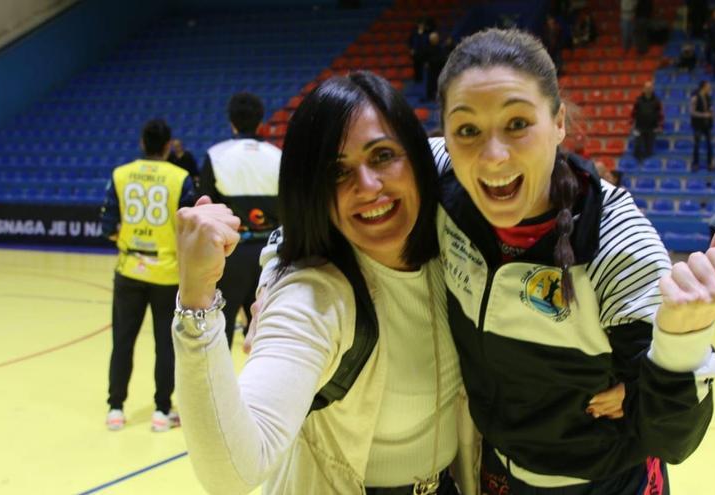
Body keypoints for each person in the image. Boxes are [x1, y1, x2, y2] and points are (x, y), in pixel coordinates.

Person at [435, 28, 715, 494]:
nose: (492, 156)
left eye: (518, 123)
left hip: (605, 481)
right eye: (468, 130)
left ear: (558, 123)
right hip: (495, 469)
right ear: (447, 136)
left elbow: (673, 438)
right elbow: (358, 188)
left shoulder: (617, 246)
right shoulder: (440, 181)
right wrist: (281, 258)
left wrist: (684, 341)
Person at [172, 72, 476, 495]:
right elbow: (233, 472)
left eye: (383, 155)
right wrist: (196, 299)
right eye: (336, 171)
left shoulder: (458, 250)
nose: (368, 186)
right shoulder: (314, 297)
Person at [99, 119, 196, 432]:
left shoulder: (121, 175)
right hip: (166, 273)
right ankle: (161, 411)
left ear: (142, 143)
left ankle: (115, 408)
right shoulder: (180, 178)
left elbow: (108, 228)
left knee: (122, 341)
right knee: (165, 344)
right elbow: (190, 228)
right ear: (168, 146)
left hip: (129, 270)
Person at [198, 92, 282, 348]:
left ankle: (220, 389)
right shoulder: (279, 156)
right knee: (266, 337)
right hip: (270, 255)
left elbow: (205, 209)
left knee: (218, 334)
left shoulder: (216, 155)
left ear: (231, 121)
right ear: (260, 121)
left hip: (229, 255)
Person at [631, 80, 664, 161]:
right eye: (647, 88)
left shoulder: (657, 101)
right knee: (637, 145)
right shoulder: (638, 100)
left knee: (649, 149)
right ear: (643, 89)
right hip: (639, 127)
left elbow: (660, 114)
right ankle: (638, 162)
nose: (648, 89)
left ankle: (646, 164)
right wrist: (632, 124)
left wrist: (660, 126)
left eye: (650, 87)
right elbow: (633, 113)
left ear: (653, 89)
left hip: (651, 128)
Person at [690, 80, 714, 171]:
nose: (710, 88)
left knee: (709, 144)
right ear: (703, 87)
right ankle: (695, 163)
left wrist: (712, 113)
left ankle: (710, 163)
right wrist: (704, 115)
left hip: (707, 124)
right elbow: (692, 112)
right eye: (708, 86)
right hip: (698, 124)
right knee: (697, 144)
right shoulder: (695, 97)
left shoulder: (709, 97)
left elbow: (710, 108)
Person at [409, 17, 433, 83]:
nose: (421, 26)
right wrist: (411, 49)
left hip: (425, 53)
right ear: (418, 25)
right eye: (420, 24)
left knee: (425, 68)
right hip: (416, 53)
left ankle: (424, 82)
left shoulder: (427, 33)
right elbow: (410, 42)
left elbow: (429, 43)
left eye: (422, 25)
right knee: (416, 68)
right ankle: (417, 81)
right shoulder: (414, 33)